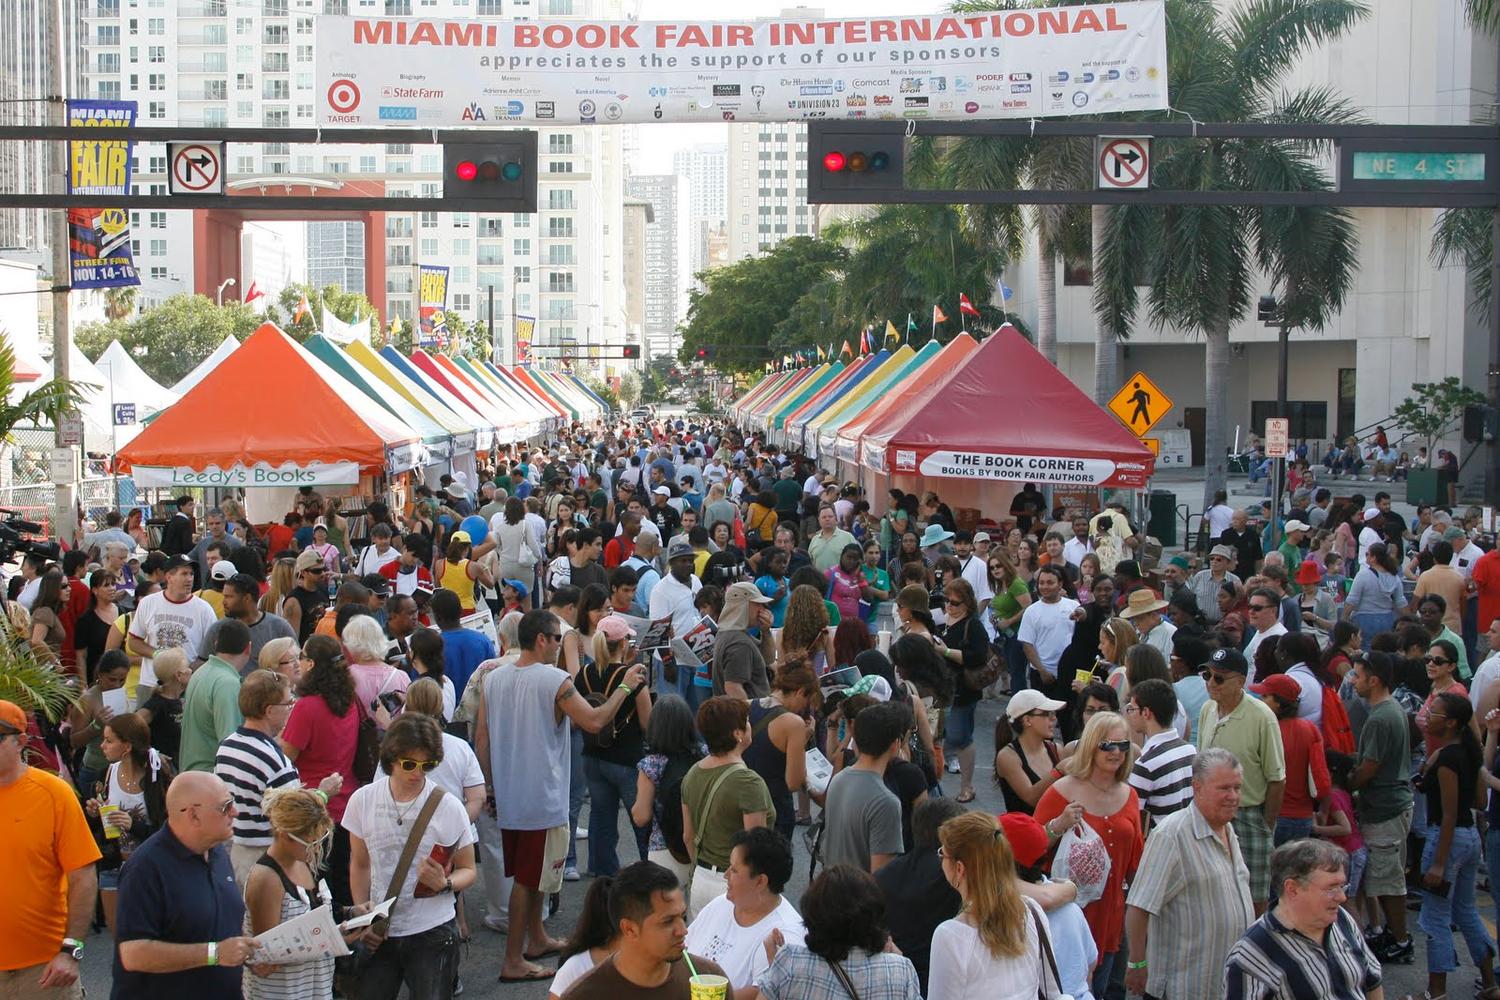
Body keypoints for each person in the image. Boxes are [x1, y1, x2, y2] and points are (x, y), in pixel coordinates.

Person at [472, 609, 646, 983]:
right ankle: (513, 960)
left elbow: (482, 735)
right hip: (542, 794)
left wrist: (488, 785)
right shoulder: (555, 679)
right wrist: (626, 687)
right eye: (556, 639)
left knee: (531, 875)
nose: (560, 645)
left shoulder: (493, 678)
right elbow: (595, 721)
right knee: (528, 879)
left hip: (510, 792)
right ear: (541, 640)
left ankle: (536, 939)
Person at [343, 714, 476, 1000]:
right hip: (381, 931)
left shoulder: (449, 807)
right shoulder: (362, 800)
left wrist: (445, 883)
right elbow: (360, 862)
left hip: (433, 931)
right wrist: (362, 914)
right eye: (409, 764)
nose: (418, 773)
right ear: (391, 757)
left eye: (427, 765)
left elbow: (469, 868)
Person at [112, 771, 259, 1000]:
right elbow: (133, 953)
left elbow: (218, 924)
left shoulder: (217, 851)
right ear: (193, 815)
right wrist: (215, 953)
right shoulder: (145, 869)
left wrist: (245, 954)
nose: (235, 812)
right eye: (225, 806)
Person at [1124, 747, 1255, 1000]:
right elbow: (1139, 907)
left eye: (1237, 788)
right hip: (1182, 989)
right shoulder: (1171, 835)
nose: (1233, 796)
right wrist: (1137, 964)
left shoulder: (1228, 830)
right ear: (1197, 787)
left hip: (1222, 987)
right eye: (1224, 788)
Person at [1033, 710, 1144, 997]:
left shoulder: (1130, 795)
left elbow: (1136, 861)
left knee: (1105, 988)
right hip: (1068, 914)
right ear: (1091, 745)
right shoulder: (1062, 791)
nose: (1116, 752)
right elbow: (1028, 850)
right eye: (1107, 744)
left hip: (1111, 913)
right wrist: (1057, 826)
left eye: (1123, 745)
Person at [0, 698, 101, 998]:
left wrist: (72, 950)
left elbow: (83, 876)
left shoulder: (54, 795)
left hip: (43, 972)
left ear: (20, 741)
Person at [927, 809, 1066, 1000]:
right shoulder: (1031, 911)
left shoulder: (950, 936)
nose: (941, 858)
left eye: (943, 853)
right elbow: (1054, 993)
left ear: (959, 869)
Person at [215, 669, 337, 886]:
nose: (292, 708)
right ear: (269, 710)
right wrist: (323, 793)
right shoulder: (274, 759)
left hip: (238, 853)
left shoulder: (227, 746)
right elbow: (295, 817)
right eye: (288, 704)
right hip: (269, 859)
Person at [1222, 839, 1383, 1000]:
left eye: (1342, 886)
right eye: (1331, 888)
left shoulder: (1341, 919)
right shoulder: (1251, 957)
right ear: (1292, 889)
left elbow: (1373, 981)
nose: (1341, 897)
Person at [1414, 692, 1497, 999]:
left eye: (1433, 713)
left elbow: (1447, 814)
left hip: (1446, 839)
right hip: (1470, 838)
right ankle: (1489, 983)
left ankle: (1436, 991)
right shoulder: (1467, 753)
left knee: (1435, 917)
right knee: (1466, 910)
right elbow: (1477, 801)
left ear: (1449, 723)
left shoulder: (1448, 759)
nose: (1426, 717)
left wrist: (1438, 862)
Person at [1196, 646, 1285, 914]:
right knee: (1213, 892)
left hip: (1248, 815)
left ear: (1240, 682)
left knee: (1255, 894)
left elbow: (1277, 778)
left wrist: (1265, 825)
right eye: (1207, 675)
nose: (1211, 683)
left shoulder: (1262, 717)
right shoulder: (1207, 710)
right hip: (1209, 815)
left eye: (1219, 678)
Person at [561, 861, 727, 1000]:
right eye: (668, 921)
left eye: (683, 917)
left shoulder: (709, 979)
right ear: (629, 929)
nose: (683, 930)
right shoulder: (585, 995)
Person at [757, 864, 921, 1000]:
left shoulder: (789, 962)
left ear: (813, 914)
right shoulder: (900, 970)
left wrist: (774, 962)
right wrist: (897, 956)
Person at [280, 634, 362, 908]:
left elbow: (286, 756)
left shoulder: (308, 707)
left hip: (316, 807)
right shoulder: (349, 699)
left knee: (318, 889)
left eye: (301, 658)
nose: (298, 664)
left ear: (312, 664)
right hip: (347, 804)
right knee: (342, 884)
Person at [1346, 649, 1414, 964]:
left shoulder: (1380, 717)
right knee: (1386, 878)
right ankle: (1394, 934)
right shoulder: (1391, 710)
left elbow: (1368, 769)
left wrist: (1346, 784)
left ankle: (1401, 939)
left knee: (1388, 882)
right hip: (1391, 805)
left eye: (1357, 675)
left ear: (1373, 681)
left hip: (1385, 809)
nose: (1352, 680)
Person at [679, 696, 775, 917]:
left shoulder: (693, 772)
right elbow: (755, 847)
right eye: (746, 722)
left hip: (701, 878)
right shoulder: (748, 782)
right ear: (738, 733)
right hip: (735, 883)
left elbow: (688, 836)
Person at [683, 827, 806, 999]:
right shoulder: (720, 905)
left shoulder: (785, 935)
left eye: (734, 870)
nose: (725, 875)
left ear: (761, 881)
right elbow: (684, 949)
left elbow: (764, 992)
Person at [578, 615, 655, 876]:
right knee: (641, 817)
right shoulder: (632, 677)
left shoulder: (584, 674)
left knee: (601, 816)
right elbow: (647, 723)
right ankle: (649, 871)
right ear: (624, 644)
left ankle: (602, 872)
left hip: (592, 755)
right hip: (626, 757)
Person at [86, 712, 174, 933]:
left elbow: (171, 827)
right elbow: (98, 830)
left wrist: (133, 825)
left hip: (150, 867)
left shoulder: (156, 776)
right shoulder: (105, 774)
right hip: (114, 865)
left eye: (109, 740)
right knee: (119, 939)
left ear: (126, 746)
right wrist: (94, 814)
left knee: (151, 935)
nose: (102, 746)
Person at [819, 700, 906, 874]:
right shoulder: (885, 802)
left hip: (832, 889)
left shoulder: (840, 779)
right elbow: (882, 875)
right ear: (895, 744)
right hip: (861, 897)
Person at [1247, 673, 1332, 848]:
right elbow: (1322, 779)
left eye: (1265, 696)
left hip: (1272, 816)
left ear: (1278, 703)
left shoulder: (1267, 730)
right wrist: (1324, 810)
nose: (1260, 700)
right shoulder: (1310, 729)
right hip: (1303, 818)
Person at [631, 694, 706, 887]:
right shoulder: (705, 755)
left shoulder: (652, 764)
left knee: (666, 911)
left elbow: (641, 816)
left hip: (665, 847)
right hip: (704, 844)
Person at [128, 555, 219, 701]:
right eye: (184, 573)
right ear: (169, 576)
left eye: (191, 574)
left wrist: (191, 669)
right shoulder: (148, 603)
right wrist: (157, 654)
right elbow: (133, 642)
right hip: (151, 683)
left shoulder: (204, 609)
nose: (189, 579)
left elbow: (213, 651)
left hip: (185, 687)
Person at [935, 578, 988, 802]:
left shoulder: (972, 625)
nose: (949, 605)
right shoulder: (941, 620)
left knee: (961, 737)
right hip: (941, 689)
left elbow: (978, 657)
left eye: (955, 602)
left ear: (966, 603)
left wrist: (946, 652)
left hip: (962, 690)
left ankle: (967, 786)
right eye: (946, 600)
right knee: (939, 736)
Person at [179, 619, 252, 773]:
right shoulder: (227, 683)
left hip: (193, 774)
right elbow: (230, 742)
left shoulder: (201, 672)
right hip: (210, 780)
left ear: (216, 643)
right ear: (248, 648)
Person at [1127, 677, 1197, 829]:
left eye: (1132, 709)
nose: (1129, 714)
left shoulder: (1146, 765)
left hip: (1160, 845)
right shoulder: (1189, 750)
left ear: (1146, 713)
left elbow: (1132, 817)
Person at [993, 688, 1066, 814]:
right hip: (1023, 829)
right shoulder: (1007, 756)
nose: (1054, 718)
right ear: (1027, 720)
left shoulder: (1056, 749)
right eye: (1047, 714)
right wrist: (1059, 771)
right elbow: (1030, 797)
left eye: (1053, 713)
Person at [1017, 564, 1080, 690]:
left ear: (1060, 584)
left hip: (1069, 671)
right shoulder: (1031, 611)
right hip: (1042, 674)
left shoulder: (1074, 606)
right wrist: (1042, 671)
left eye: (1050, 583)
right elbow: (1027, 645)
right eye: (1041, 583)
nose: (1045, 587)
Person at [712, 582, 777, 701]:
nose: (762, 609)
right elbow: (733, 687)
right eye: (757, 604)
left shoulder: (727, 633)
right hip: (745, 715)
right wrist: (747, 716)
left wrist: (766, 632)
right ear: (743, 605)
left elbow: (768, 659)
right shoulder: (739, 643)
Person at [1342, 542, 1406, 646]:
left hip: (1364, 620)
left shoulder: (1363, 575)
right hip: (1387, 619)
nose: (1366, 556)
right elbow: (1401, 602)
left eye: (1368, 554)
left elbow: (1352, 601)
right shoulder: (1394, 577)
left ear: (1374, 558)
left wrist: (1344, 619)